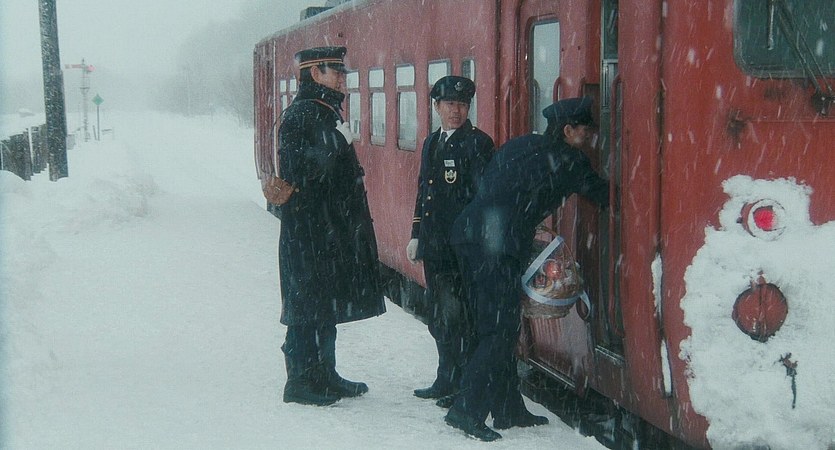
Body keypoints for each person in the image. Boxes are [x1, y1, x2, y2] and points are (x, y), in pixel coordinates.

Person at [443, 97, 609, 441]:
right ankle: (466, 411)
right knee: (499, 330)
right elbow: (604, 195)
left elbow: (490, 184)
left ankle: (507, 408)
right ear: (568, 130)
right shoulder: (571, 161)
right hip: (496, 247)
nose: (589, 137)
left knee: (496, 325)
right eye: (585, 131)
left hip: (469, 235)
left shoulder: (521, 144)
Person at [267, 46, 386, 406]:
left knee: (324, 304)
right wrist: (335, 142)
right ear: (315, 73)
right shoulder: (300, 115)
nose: (341, 79)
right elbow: (298, 172)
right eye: (335, 72)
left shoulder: (324, 110)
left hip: (326, 229)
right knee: (305, 306)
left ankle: (325, 373)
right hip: (308, 231)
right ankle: (300, 381)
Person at [406, 76, 495, 402]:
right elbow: (424, 192)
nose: (456, 111)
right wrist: (416, 234)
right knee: (440, 317)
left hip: (462, 250)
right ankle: (445, 379)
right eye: (449, 105)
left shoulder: (478, 144)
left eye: (462, 105)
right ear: (436, 107)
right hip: (435, 247)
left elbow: (484, 200)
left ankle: (462, 387)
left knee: (461, 319)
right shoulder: (432, 142)